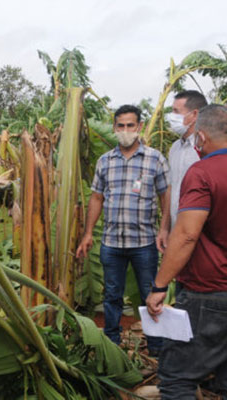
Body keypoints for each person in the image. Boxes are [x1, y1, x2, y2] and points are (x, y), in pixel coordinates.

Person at [146, 105, 227, 399]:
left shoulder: (203, 173)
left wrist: (159, 285)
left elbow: (186, 234)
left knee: (177, 376)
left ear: (202, 137)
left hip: (210, 293)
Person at [76, 104, 170, 355]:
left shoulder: (154, 158)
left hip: (144, 242)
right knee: (112, 295)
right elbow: (96, 198)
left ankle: (157, 347)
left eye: (130, 125)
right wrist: (88, 234)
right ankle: (112, 344)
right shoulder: (105, 161)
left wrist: (164, 229)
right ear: (114, 128)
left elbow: (165, 195)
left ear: (139, 127)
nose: (125, 130)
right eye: (121, 126)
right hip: (112, 242)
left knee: (149, 294)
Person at [166, 90, 208, 232]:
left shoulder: (205, 148)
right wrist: (165, 229)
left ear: (194, 115)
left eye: (176, 112)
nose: (172, 117)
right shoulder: (175, 148)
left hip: (199, 231)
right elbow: (171, 188)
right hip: (176, 229)